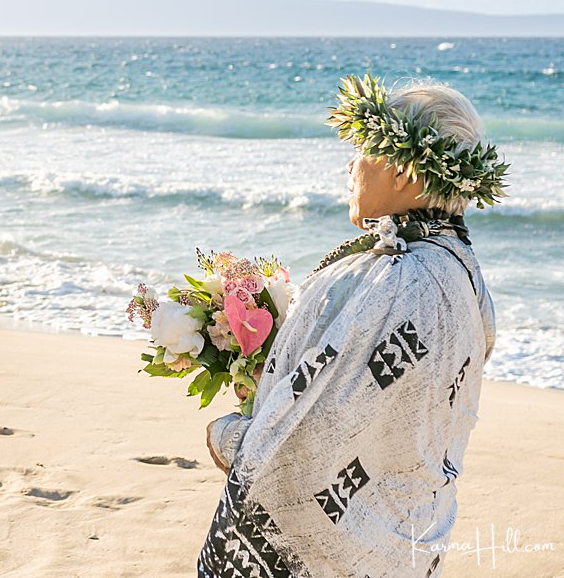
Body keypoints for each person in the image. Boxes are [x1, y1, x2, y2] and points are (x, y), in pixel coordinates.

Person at [198, 77, 507, 578]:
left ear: (406, 173)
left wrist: (230, 438)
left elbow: (312, 435)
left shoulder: (398, 277)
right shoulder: (460, 271)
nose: (350, 164)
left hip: (330, 553)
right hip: (401, 544)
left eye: (363, 149)